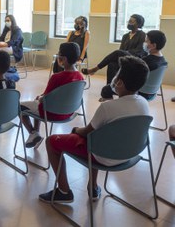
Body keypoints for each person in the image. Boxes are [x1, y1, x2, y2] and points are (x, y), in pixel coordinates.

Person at [38, 56, 149, 203]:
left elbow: (86, 132)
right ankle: (93, 186)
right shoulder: (144, 103)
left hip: (104, 156)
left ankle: (64, 191)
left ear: (120, 82)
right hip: (130, 154)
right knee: (97, 137)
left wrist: (76, 130)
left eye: (117, 74)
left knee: (52, 141)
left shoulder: (107, 107)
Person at [20, 42, 84, 149]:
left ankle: (33, 133)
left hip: (52, 113)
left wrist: (40, 97)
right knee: (36, 104)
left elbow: (44, 99)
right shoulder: (80, 77)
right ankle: (35, 134)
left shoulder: (57, 77)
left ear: (63, 59)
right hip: (69, 112)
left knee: (20, 107)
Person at [87, 30, 167, 101]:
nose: (144, 44)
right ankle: (96, 69)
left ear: (153, 45)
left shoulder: (145, 62)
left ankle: (113, 106)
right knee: (113, 62)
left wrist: (117, 80)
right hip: (152, 93)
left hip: (139, 91)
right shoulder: (163, 61)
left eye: (146, 41)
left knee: (106, 90)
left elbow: (130, 75)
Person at [82, 14, 147, 101]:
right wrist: (123, 54)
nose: (129, 22)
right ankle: (109, 91)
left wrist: (125, 53)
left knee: (118, 52)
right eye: (129, 21)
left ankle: (95, 68)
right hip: (124, 58)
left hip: (135, 59)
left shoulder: (142, 35)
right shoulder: (125, 36)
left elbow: (140, 50)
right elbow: (121, 50)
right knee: (112, 64)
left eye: (132, 21)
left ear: (139, 24)